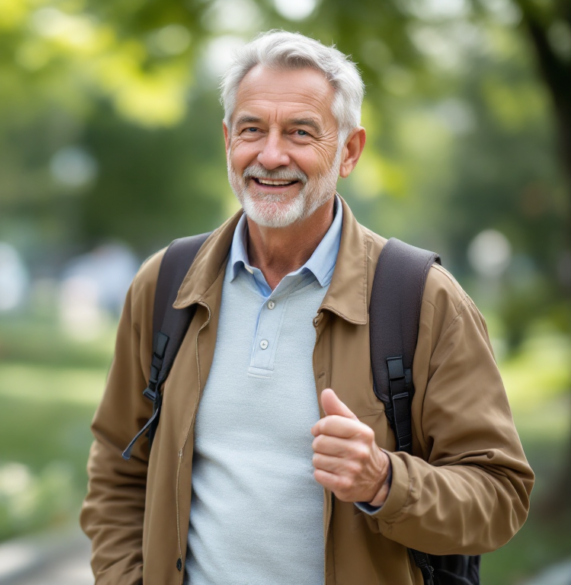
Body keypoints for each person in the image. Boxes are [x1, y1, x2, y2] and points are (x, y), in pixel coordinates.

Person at [80, 31, 534, 584]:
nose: (271, 155)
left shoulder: (423, 299)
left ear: (349, 151)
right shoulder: (165, 284)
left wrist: (384, 482)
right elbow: (117, 467)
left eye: (301, 132)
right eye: (252, 130)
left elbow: (501, 497)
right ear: (228, 141)